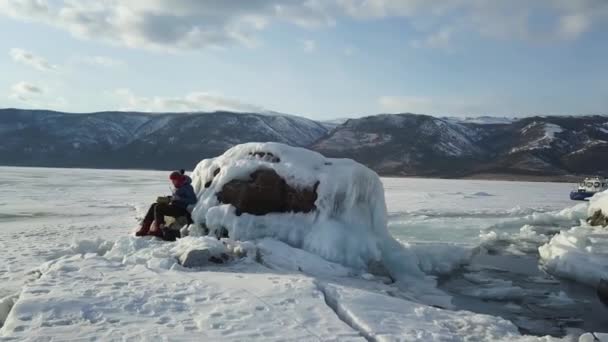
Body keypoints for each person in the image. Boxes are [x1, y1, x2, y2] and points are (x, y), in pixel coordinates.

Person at [135, 169, 197, 239]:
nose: (173, 182)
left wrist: (179, 199)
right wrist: (170, 198)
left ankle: (158, 230)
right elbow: (177, 197)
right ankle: (144, 229)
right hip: (174, 206)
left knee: (159, 207)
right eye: (172, 181)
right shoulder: (178, 185)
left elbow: (193, 200)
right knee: (154, 205)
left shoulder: (187, 187)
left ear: (179, 179)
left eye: (174, 180)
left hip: (181, 209)